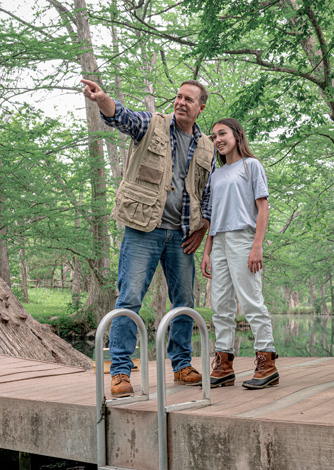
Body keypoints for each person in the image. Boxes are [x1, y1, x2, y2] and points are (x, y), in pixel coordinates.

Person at [81, 78, 214, 398]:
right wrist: (102, 100)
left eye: (188, 99)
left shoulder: (207, 146)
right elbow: (121, 116)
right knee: (129, 299)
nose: (181, 102)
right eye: (178, 97)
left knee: (184, 303)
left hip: (182, 237)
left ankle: (182, 365)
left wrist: (202, 227)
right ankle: (121, 371)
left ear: (201, 108)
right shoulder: (151, 125)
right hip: (143, 229)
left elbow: (208, 192)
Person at [200, 118, 278, 389]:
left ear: (237, 135)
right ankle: (223, 365)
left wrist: (257, 246)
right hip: (219, 240)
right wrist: (207, 251)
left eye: (222, 133)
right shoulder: (216, 174)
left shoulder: (251, 165)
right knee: (220, 306)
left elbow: (263, 207)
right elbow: (212, 217)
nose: (218, 139)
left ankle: (267, 362)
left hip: (244, 238)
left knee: (251, 301)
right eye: (214, 136)